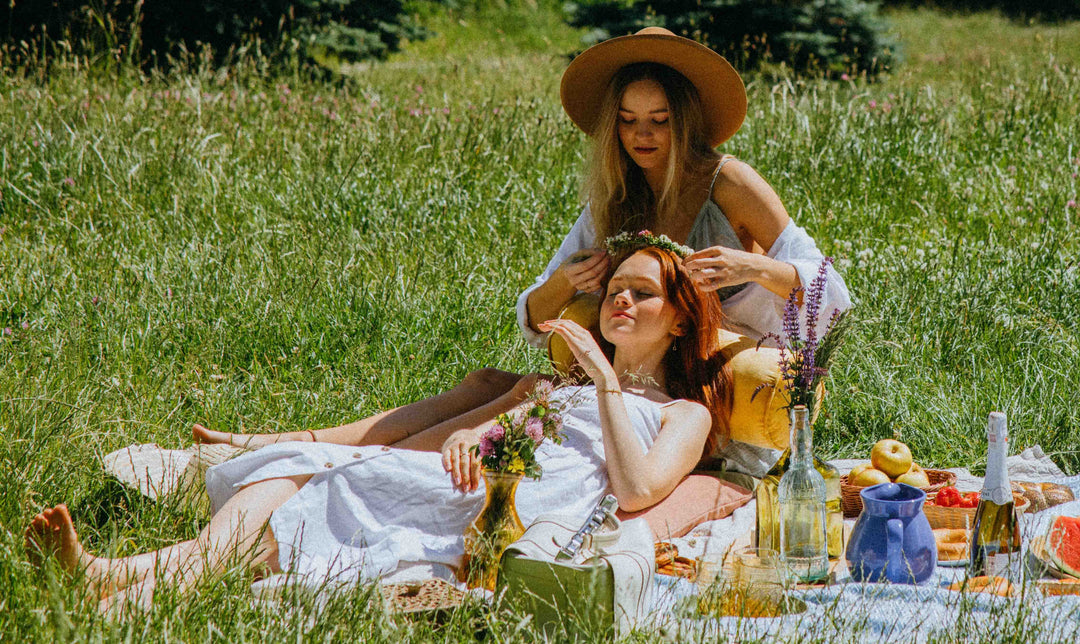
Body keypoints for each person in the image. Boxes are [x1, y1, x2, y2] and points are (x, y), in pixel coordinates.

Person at [195, 27, 849, 476]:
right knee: (489, 383)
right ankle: (298, 446)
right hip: (635, 378)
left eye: (659, 121)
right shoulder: (616, 197)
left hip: (716, 398)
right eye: (627, 120)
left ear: (684, 121)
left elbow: (831, 293)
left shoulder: (728, 182)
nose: (642, 136)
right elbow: (536, 316)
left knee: (526, 392)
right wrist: (568, 281)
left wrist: (753, 267)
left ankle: (351, 464)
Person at [26, 239, 728, 611]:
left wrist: (605, 381)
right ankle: (120, 581)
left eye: (643, 293)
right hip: (466, 481)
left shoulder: (683, 413)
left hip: (515, 511)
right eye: (615, 290)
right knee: (298, 472)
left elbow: (637, 490)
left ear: (679, 319)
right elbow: (494, 431)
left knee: (321, 494)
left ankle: (122, 585)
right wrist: (468, 437)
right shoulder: (558, 387)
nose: (620, 301)